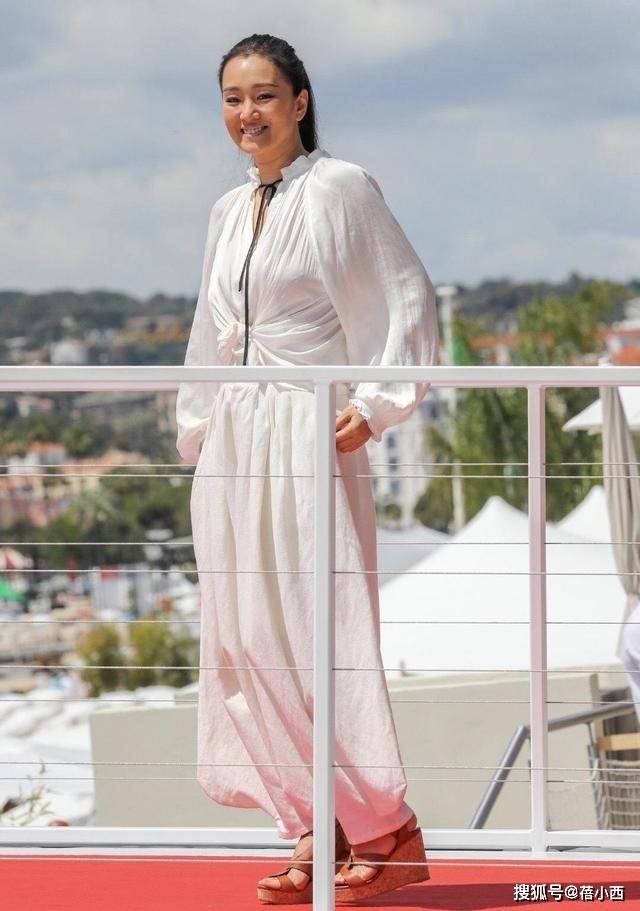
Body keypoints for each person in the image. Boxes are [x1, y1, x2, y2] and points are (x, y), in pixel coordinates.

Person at [175, 33, 439, 905]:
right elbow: (210, 335)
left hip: (304, 431)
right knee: (246, 636)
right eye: (232, 98)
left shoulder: (340, 187)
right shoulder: (227, 209)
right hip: (236, 440)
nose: (246, 113)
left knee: (315, 626)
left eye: (263, 95)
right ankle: (314, 822)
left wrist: (379, 399)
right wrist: (199, 429)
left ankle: (386, 830)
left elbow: (405, 295)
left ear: (300, 101)